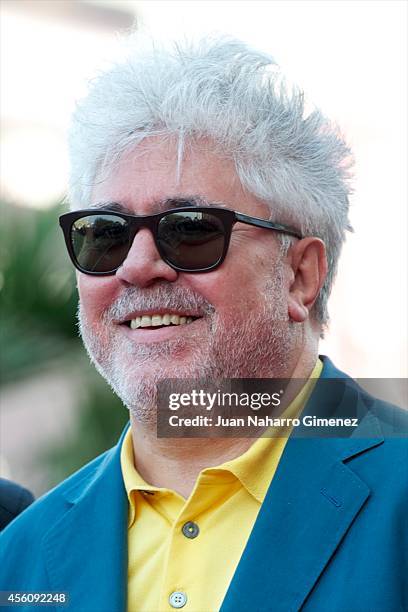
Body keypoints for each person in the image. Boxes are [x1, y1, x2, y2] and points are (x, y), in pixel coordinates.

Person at [0, 36, 406, 612]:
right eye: (106, 235)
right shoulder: (19, 560)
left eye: (190, 229)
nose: (137, 267)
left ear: (299, 276)